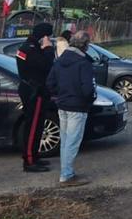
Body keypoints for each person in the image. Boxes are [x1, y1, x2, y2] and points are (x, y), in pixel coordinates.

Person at [46, 30, 95, 187]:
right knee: (72, 142)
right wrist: (89, 99)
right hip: (78, 107)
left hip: (63, 105)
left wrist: (62, 94)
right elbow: (88, 89)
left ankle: (66, 172)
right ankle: (66, 175)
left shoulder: (59, 61)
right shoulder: (83, 63)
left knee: (66, 141)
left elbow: (50, 84)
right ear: (86, 45)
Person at [15, 22, 55, 173]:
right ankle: (30, 160)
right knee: (33, 126)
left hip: (34, 89)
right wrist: (48, 49)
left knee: (38, 126)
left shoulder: (29, 47)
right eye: (49, 37)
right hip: (34, 91)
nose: (50, 40)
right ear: (44, 36)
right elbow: (46, 65)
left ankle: (34, 156)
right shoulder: (31, 49)